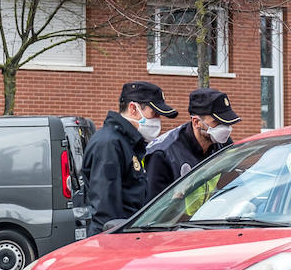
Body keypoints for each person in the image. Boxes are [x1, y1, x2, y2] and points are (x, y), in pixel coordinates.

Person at [81, 81, 177, 236]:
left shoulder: (129, 143)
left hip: (129, 235)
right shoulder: (110, 144)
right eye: (154, 114)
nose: (158, 120)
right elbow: (106, 210)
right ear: (133, 108)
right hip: (114, 241)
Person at [144, 88, 241, 202]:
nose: (225, 129)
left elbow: (234, 182)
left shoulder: (223, 145)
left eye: (227, 122)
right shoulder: (163, 154)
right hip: (177, 219)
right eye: (217, 122)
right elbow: (154, 209)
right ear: (196, 122)